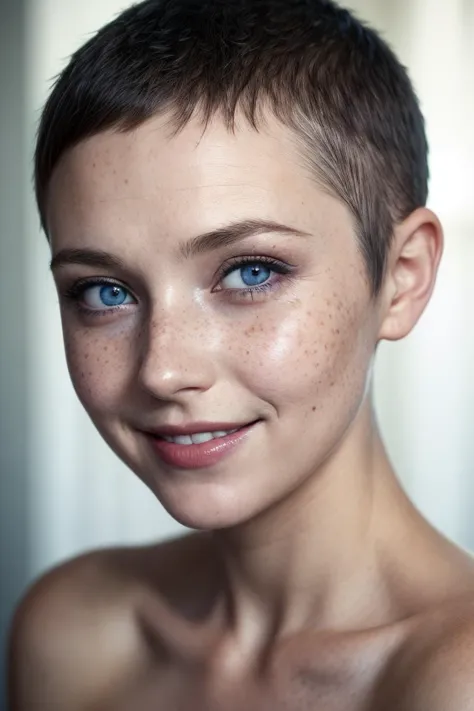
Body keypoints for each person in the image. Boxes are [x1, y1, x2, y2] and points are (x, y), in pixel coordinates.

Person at [8, 0, 474, 708]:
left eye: (250, 272)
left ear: (402, 277)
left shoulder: (455, 680)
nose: (163, 368)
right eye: (104, 291)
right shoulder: (69, 633)